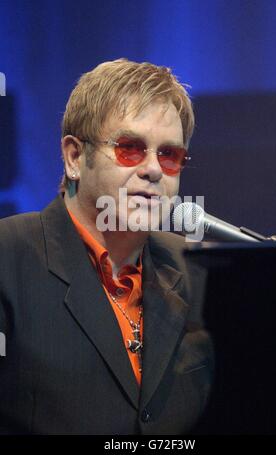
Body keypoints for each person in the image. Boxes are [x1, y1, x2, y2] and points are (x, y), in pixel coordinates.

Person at [0, 59, 213, 435]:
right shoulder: (8, 255)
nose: (153, 170)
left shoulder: (198, 267)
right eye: (130, 148)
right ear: (74, 158)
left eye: (169, 155)